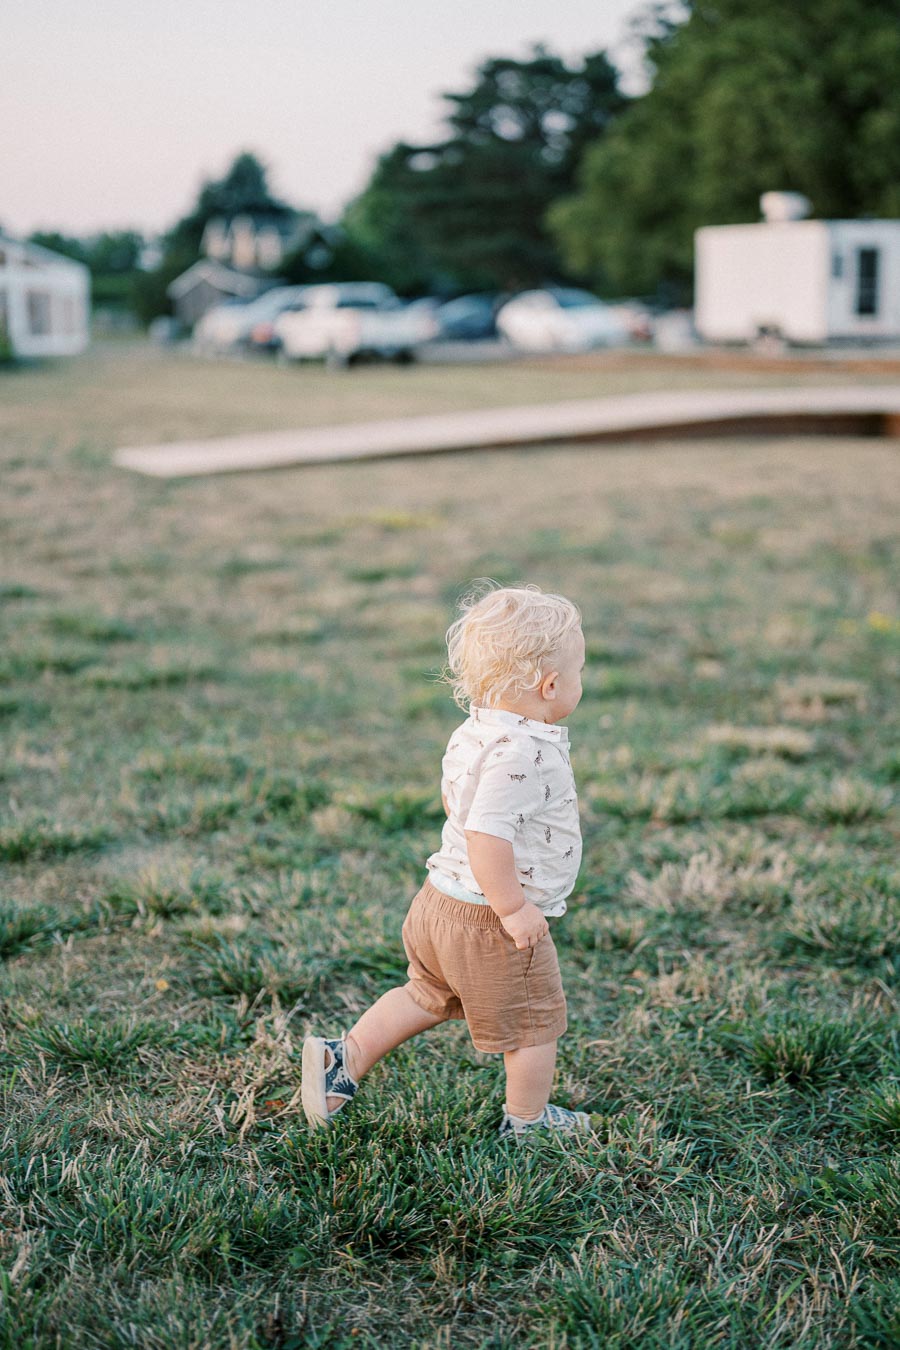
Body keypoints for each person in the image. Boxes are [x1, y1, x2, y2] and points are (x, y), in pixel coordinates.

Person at [301, 582, 593, 1141]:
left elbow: (458, 808)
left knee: (425, 994)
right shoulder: (524, 752)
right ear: (551, 684)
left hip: (439, 905)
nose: (578, 683)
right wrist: (513, 909)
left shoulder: (478, 730)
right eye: (578, 672)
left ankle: (345, 1059)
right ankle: (530, 1124)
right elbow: (486, 833)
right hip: (490, 919)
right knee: (534, 1026)